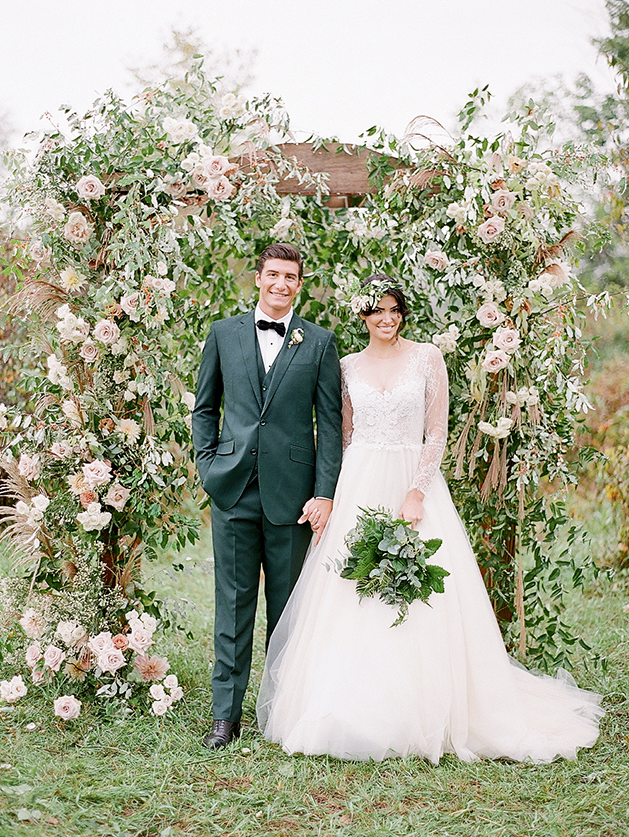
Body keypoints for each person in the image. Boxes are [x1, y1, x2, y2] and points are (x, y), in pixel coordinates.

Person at [257, 274, 603, 763]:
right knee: (351, 589)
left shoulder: (426, 358)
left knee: (421, 593)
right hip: (358, 480)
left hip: (411, 480)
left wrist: (416, 492)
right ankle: (351, 706)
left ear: (403, 314)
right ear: (363, 316)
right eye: (377, 310)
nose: (386, 318)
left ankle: (426, 706)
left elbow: (436, 432)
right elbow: (343, 434)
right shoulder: (347, 365)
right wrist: (331, 497)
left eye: (394, 310)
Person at [193, 243, 343, 749]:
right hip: (232, 490)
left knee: (288, 612)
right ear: (257, 278)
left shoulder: (320, 343)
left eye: (291, 277)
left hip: (293, 498)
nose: (281, 284)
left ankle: (281, 712)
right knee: (231, 606)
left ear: (300, 285)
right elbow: (204, 409)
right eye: (273, 275)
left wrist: (323, 494)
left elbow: (331, 425)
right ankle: (224, 717)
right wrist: (208, 465)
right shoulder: (223, 334)